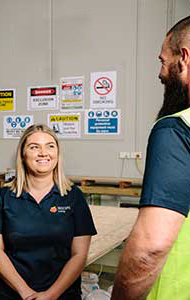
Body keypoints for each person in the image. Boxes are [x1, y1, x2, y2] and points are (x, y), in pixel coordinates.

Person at [111, 16, 190, 300]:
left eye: (163, 61)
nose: (160, 73)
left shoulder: (178, 128)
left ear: (184, 58)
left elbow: (149, 250)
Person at [0, 124, 97, 300]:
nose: (43, 152)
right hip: (11, 293)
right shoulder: (6, 196)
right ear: (23, 155)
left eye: (50, 146)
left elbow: (79, 255)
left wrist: (51, 295)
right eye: (34, 147)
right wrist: (26, 292)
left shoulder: (73, 197)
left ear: (57, 154)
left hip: (61, 295)